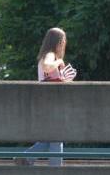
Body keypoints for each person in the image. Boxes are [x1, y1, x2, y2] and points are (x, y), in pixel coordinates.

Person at [18, 27, 76, 166]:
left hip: (48, 104)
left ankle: (26, 158)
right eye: (63, 41)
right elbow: (46, 66)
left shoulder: (48, 54)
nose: (64, 44)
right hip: (51, 105)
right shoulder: (50, 55)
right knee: (56, 138)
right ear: (58, 42)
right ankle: (55, 173)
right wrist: (59, 62)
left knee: (50, 138)